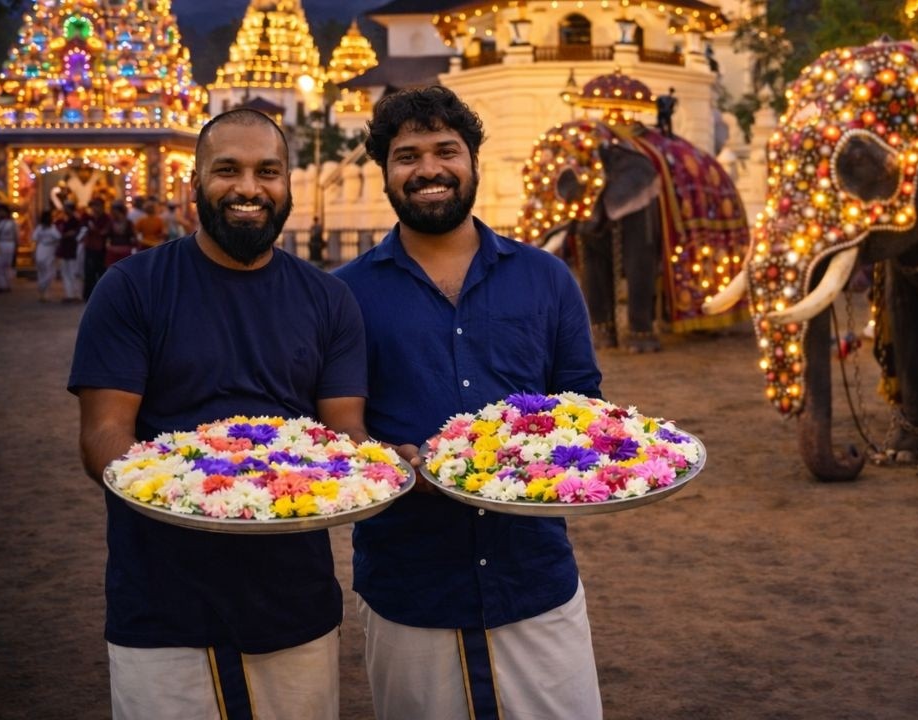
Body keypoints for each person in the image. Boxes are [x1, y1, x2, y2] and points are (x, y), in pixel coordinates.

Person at [68, 108, 369, 720]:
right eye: (226, 170)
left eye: (268, 172)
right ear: (195, 183)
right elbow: (103, 432)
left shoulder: (329, 299)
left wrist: (381, 463)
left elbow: (345, 432)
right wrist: (193, 495)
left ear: (288, 184)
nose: (249, 189)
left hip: (294, 598)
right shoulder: (131, 287)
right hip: (162, 598)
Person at [334, 86, 605, 719]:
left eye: (445, 150)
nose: (428, 170)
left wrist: (534, 461)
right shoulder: (343, 296)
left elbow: (585, 408)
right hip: (409, 585)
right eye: (407, 156)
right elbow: (335, 430)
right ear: (385, 172)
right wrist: (391, 462)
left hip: (533, 577)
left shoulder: (544, 278)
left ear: (474, 160)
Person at [55, 202, 83, 302]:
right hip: (64, 248)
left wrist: (67, 235)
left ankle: (76, 294)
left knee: (73, 272)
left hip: (72, 249)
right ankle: (69, 294)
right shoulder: (62, 220)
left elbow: (76, 233)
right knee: (65, 273)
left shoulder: (75, 220)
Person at [32, 209, 61, 302]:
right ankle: (42, 292)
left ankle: (43, 288)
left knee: (49, 272)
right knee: (43, 271)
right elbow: (34, 238)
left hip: (48, 249)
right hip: (43, 248)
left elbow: (58, 237)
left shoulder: (51, 227)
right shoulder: (41, 227)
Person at [0, 204, 19, 292]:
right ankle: (1, 285)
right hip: (0, 244)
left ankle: (7, 285)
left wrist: (16, 247)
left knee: (7, 265)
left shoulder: (13, 223)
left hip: (9, 243)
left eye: (2, 211)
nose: (0, 213)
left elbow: (16, 236)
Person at [104, 202, 137, 267]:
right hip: (113, 251)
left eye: (115, 211)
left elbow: (133, 237)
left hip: (125, 251)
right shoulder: (111, 223)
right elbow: (106, 234)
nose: (113, 214)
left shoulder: (129, 223)